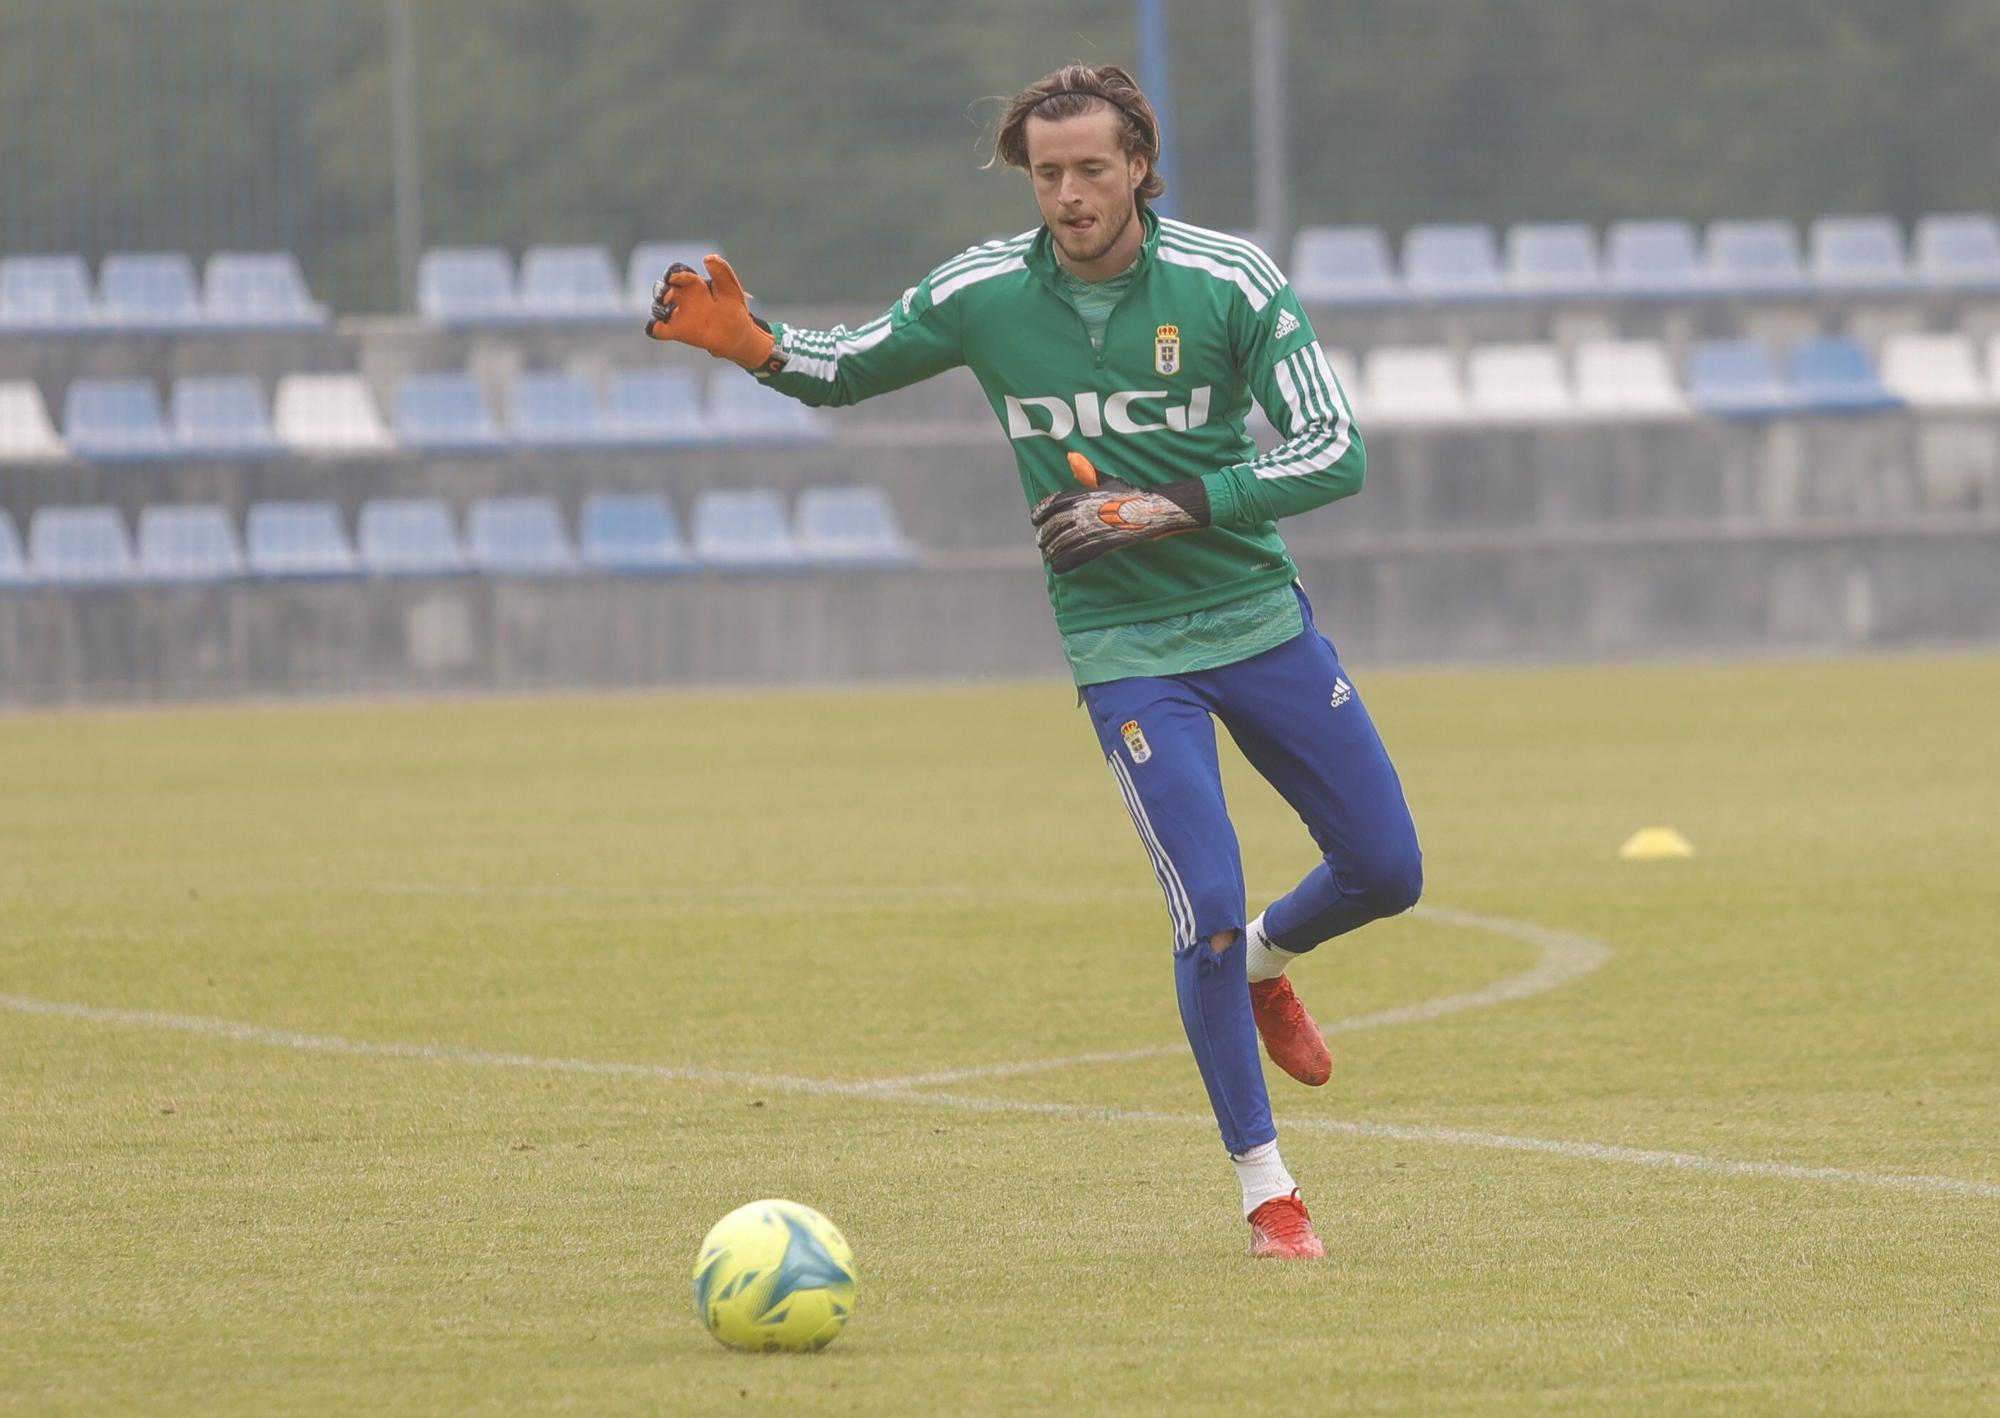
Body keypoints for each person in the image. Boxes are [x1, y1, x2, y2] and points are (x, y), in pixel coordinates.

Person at [646, 62, 1422, 1259]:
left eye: (1090, 169)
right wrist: (754, 345)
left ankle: (1272, 960)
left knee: (1386, 868)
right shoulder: (982, 292)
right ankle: (1269, 1192)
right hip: (1122, 650)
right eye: (1047, 172)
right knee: (1204, 912)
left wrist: (1171, 503)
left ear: (1139, 168)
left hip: (1258, 618)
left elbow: (1334, 449)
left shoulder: (1229, 282)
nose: (1068, 193)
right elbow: (845, 365)